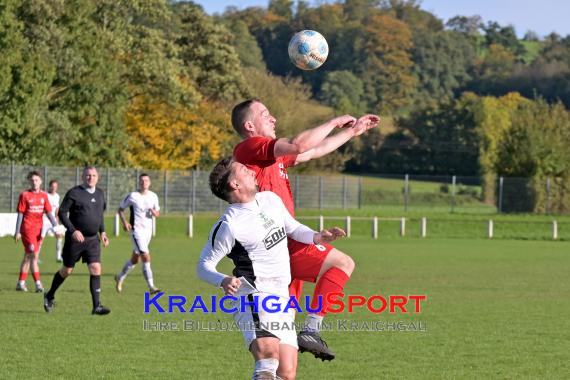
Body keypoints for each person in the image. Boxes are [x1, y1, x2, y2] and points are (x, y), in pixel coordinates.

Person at [232, 99, 380, 360]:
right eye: (266, 114)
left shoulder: (270, 156)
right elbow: (300, 144)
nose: (273, 118)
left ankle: (300, 340)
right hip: (277, 243)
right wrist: (334, 121)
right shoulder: (250, 147)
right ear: (249, 125)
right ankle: (312, 328)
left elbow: (312, 151)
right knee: (342, 263)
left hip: (283, 245)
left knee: (283, 358)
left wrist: (352, 131)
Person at [197, 157, 346, 380]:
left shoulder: (270, 200)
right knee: (268, 359)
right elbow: (203, 266)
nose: (250, 170)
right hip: (254, 295)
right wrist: (223, 280)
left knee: (286, 373)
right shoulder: (229, 224)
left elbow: (293, 229)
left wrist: (317, 236)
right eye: (243, 170)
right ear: (235, 184)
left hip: (281, 296)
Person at [43, 166, 111, 315]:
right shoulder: (74, 193)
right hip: (75, 240)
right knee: (67, 270)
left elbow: (99, 216)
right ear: (83, 177)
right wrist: (73, 231)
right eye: (88, 175)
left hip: (93, 240)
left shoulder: (100, 194)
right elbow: (61, 212)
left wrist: (103, 232)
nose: (90, 178)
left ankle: (96, 306)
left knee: (96, 268)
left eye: (93, 175)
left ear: (97, 177)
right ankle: (49, 295)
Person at [115, 173, 161, 294]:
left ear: (149, 183)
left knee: (135, 260)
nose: (144, 183)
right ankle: (151, 286)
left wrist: (154, 213)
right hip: (136, 231)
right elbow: (120, 209)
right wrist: (124, 222)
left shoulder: (153, 196)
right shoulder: (132, 196)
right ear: (138, 183)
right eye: (141, 181)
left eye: (146, 180)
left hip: (148, 232)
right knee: (145, 256)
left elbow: (158, 213)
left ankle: (120, 277)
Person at [14, 171, 58, 293]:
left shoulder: (44, 196)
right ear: (29, 181)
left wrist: (56, 226)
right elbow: (20, 214)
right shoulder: (25, 195)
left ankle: (21, 283)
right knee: (33, 255)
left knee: (28, 257)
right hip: (27, 229)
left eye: (37, 180)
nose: (34, 182)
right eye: (32, 180)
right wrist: (17, 231)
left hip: (38, 230)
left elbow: (49, 212)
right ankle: (38, 284)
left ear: (41, 181)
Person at [39, 179, 64, 262]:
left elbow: (56, 209)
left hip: (53, 221)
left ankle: (58, 257)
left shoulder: (57, 196)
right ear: (49, 186)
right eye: (52, 186)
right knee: (40, 239)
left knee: (59, 236)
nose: (54, 188)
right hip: (44, 220)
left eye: (55, 187)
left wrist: (57, 220)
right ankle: (35, 257)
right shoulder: (45, 195)